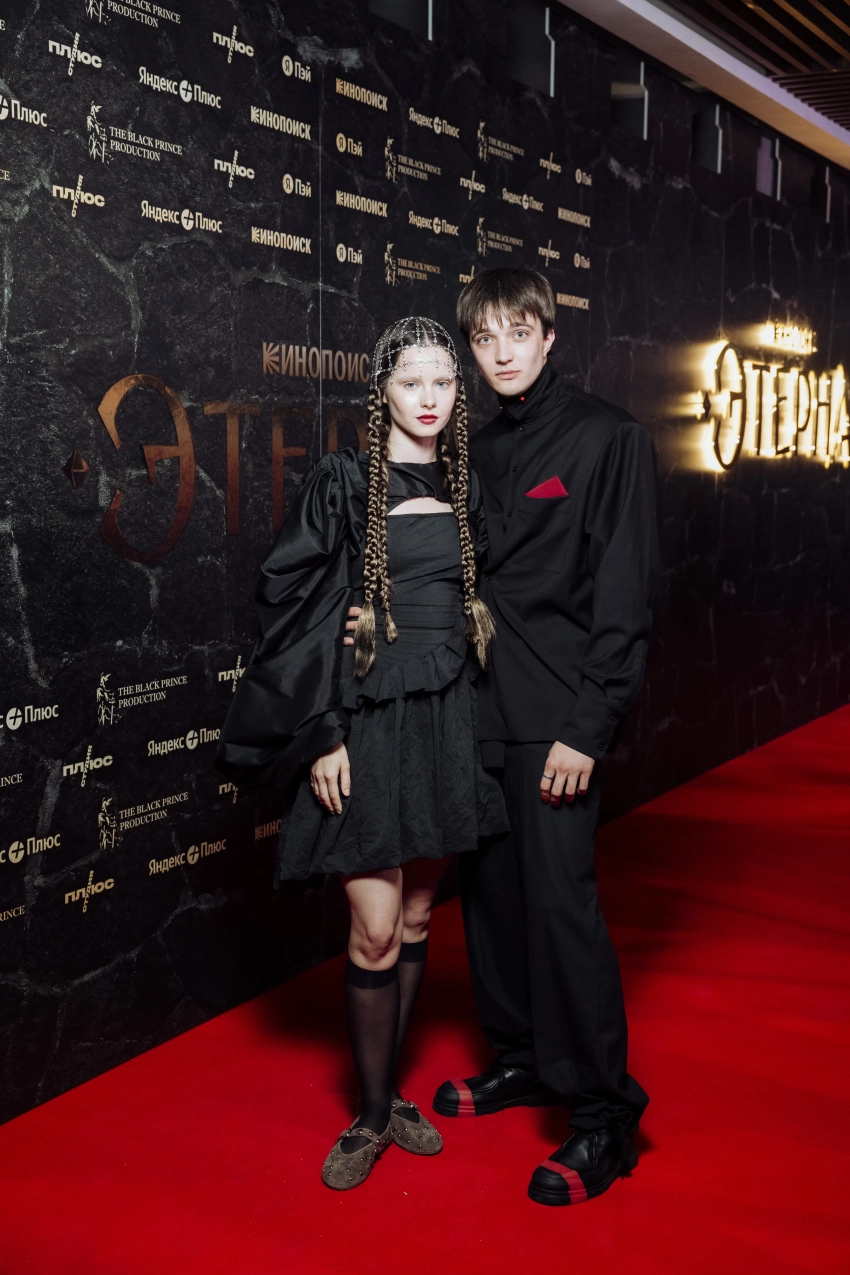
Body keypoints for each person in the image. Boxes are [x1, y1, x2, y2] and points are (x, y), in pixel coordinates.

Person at [345, 269, 660, 1206]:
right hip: (472, 711)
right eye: (485, 339)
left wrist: (588, 727)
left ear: (550, 336)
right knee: (491, 904)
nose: (503, 352)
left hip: (558, 721)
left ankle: (604, 1114)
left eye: (519, 332)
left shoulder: (609, 438)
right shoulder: (472, 449)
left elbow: (626, 599)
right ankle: (523, 1056)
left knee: (561, 910)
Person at [216, 316, 508, 1192]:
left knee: (416, 920)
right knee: (375, 928)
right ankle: (371, 1115)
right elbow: (290, 599)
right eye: (411, 381)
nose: (429, 397)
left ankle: (389, 1099)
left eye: (443, 382)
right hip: (366, 722)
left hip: (445, 718)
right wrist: (324, 733)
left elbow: (481, 590)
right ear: (381, 390)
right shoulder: (344, 480)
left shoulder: (465, 484)